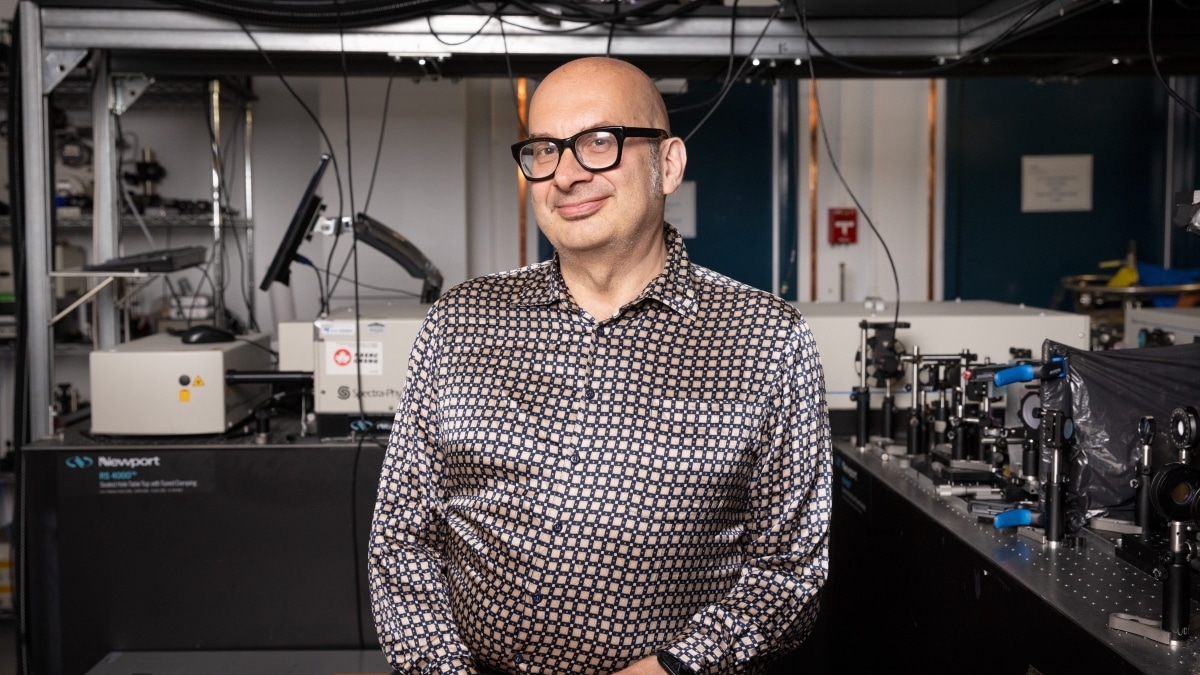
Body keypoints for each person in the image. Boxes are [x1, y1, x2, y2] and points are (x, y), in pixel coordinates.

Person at [369, 56, 832, 675]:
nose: (565, 174)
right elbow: (403, 537)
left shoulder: (766, 341)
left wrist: (676, 667)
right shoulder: (461, 323)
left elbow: (789, 571)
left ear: (668, 164)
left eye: (598, 142)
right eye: (543, 150)